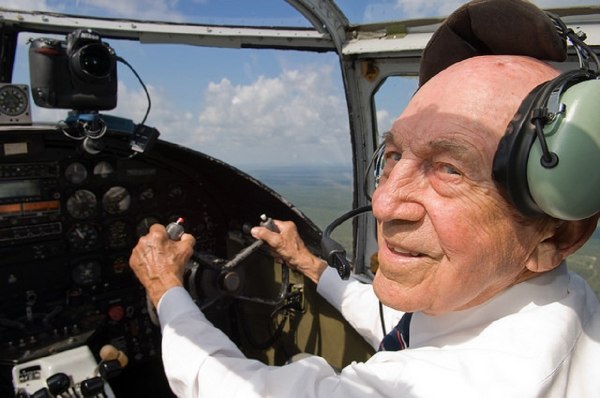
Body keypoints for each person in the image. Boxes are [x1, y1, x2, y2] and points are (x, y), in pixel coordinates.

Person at [129, 5, 600, 398]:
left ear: (558, 234)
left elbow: (228, 386)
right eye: (393, 155)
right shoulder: (544, 303)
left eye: (449, 169)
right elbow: (404, 329)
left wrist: (164, 288)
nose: (384, 202)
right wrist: (311, 266)